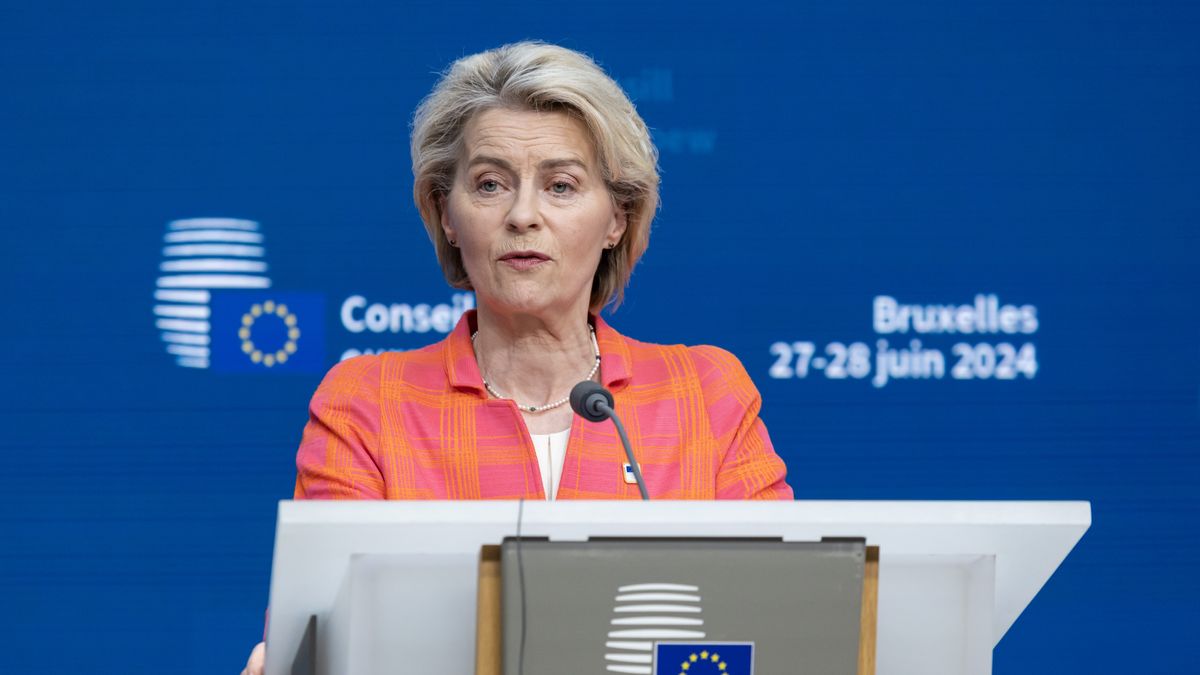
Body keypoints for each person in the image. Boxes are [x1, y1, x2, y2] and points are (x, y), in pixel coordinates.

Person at [241, 41, 791, 675]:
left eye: (560, 185)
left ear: (618, 216)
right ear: (446, 214)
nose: (523, 215)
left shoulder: (706, 395)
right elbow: (327, 641)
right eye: (490, 184)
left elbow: (783, 627)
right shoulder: (367, 404)